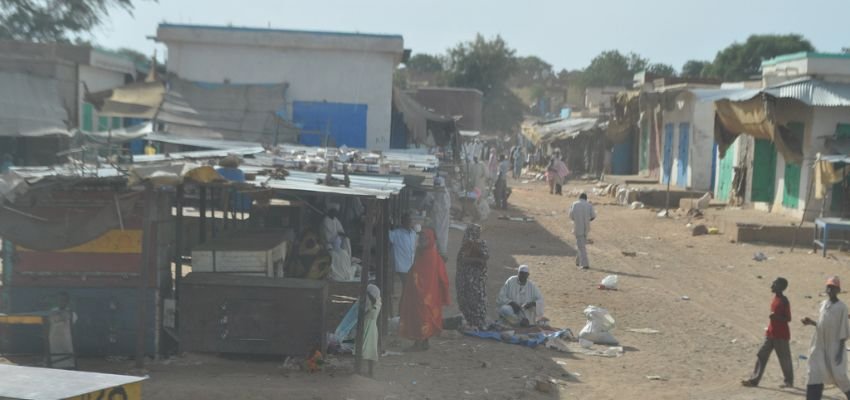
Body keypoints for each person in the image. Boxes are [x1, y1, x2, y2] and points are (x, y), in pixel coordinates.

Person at [398, 228, 450, 351]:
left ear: (430, 240)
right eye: (420, 238)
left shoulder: (430, 256)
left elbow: (421, 274)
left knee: (420, 317)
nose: (421, 241)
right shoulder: (426, 253)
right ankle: (424, 342)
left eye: (424, 239)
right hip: (425, 294)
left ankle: (419, 343)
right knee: (423, 317)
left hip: (423, 294)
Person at [802, 276, 850, 400]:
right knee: (814, 372)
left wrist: (840, 351)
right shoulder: (823, 304)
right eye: (828, 287)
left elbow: (843, 330)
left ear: (838, 290)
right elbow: (822, 324)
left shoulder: (842, 308)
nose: (830, 290)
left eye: (833, 287)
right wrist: (811, 322)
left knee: (839, 375)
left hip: (834, 346)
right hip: (819, 345)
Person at [742, 277, 793, 388]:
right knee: (761, 354)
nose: (772, 286)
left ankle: (789, 381)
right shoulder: (776, 298)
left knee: (784, 358)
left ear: (781, 287)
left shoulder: (784, 300)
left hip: (781, 335)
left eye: (774, 284)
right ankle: (754, 380)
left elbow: (788, 319)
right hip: (770, 333)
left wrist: (776, 317)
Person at [456, 224, 489, 329]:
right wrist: (476, 259)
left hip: (477, 281)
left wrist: (475, 248)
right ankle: (469, 322)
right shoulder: (465, 246)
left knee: (477, 301)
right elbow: (463, 260)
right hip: (465, 280)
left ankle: (478, 322)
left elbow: (484, 259)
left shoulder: (481, 245)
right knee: (465, 301)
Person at [389, 213, 418, 300]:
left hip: (411, 265)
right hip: (401, 266)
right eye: (407, 220)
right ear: (402, 222)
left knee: (409, 289)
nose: (409, 222)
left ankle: (404, 307)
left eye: (410, 220)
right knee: (407, 287)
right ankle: (402, 308)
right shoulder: (396, 234)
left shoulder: (413, 234)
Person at [569, 193, 596, 270]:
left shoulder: (574, 204)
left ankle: (585, 264)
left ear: (579, 198)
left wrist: (577, 219)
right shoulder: (589, 205)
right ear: (586, 198)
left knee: (581, 246)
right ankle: (578, 261)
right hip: (586, 228)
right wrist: (587, 220)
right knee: (580, 244)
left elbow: (571, 216)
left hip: (578, 227)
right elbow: (593, 216)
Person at [360, 284, 381, 378]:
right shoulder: (377, 303)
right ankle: (368, 371)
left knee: (369, 351)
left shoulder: (374, 306)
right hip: (370, 329)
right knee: (369, 351)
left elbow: (366, 314)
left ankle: (369, 372)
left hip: (369, 329)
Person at [428, 176, 451, 259]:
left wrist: (434, 204)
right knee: (435, 233)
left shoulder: (444, 193)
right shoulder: (437, 191)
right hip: (436, 217)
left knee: (441, 234)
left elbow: (444, 206)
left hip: (442, 218)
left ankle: (441, 252)